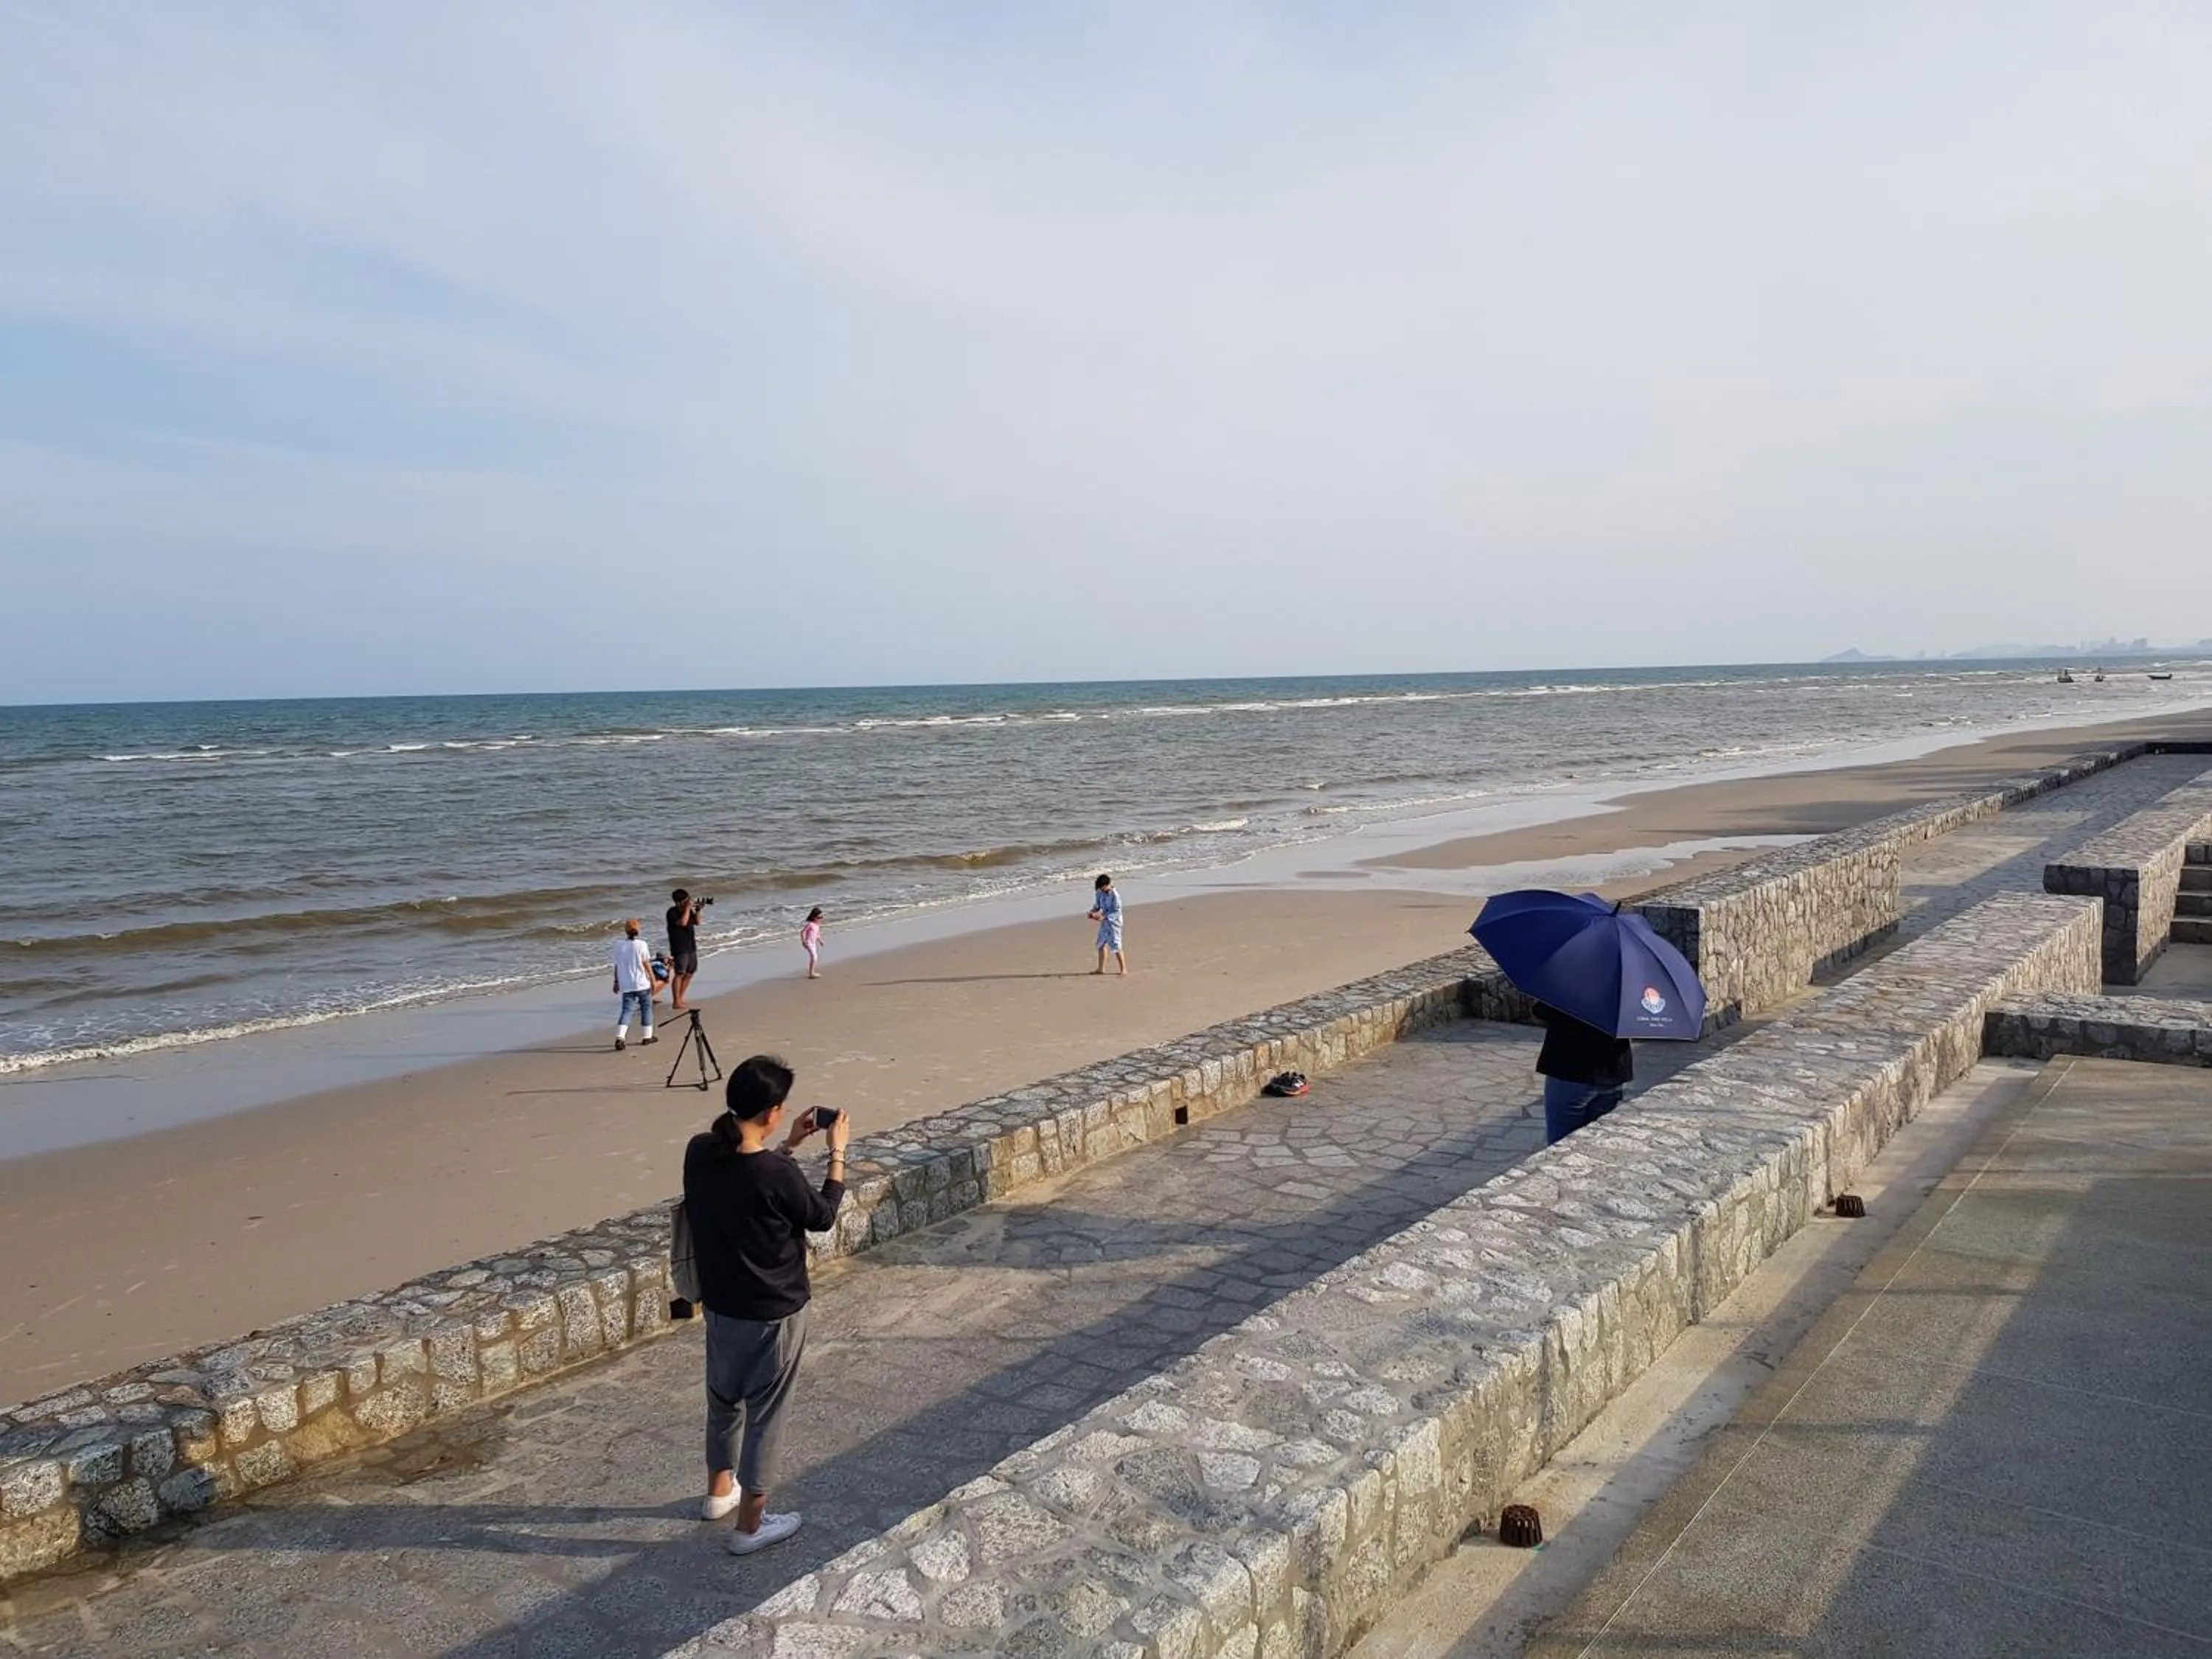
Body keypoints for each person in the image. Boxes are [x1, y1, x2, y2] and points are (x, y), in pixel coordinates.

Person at [682, 1054, 849, 1554]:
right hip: (775, 1311)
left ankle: (718, 1491)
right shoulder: (773, 1173)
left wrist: (792, 1145)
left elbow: (751, 1178)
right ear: (773, 1111)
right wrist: (837, 1154)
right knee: (766, 1416)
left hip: (721, 1304)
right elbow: (821, 1216)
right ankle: (751, 1526)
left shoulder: (699, 1152)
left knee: (723, 1399)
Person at [1532, 1000, 1632, 1144]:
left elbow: (1544, 1011)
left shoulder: (1572, 982)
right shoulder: (1626, 987)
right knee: (1594, 1145)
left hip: (1571, 1069)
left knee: (1561, 1145)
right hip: (1612, 1072)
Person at [611, 919, 657, 1051]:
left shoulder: (619, 945)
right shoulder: (642, 944)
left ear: (626, 931)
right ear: (638, 930)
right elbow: (646, 963)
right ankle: (647, 1037)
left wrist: (616, 981)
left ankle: (620, 1037)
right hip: (641, 983)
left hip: (626, 983)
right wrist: (653, 979)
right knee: (646, 1009)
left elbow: (617, 965)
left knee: (626, 1011)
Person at [666, 888, 706, 1010]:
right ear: (679, 902)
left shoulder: (686, 911)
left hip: (690, 946)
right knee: (680, 973)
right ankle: (676, 1001)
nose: (689, 902)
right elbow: (683, 923)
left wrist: (698, 910)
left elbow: (698, 922)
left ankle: (680, 998)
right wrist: (688, 909)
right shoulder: (672, 912)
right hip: (680, 947)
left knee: (690, 972)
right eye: (686, 900)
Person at [1088, 873, 1127, 976]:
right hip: (1105, 922)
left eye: (1102, 887)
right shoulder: (1100, 893)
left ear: (1107, 885)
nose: (1101, 890)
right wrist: (1093, 912)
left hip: (1114, 923)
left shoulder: (1115, 895)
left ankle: (1123, 969)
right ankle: (1101, 968)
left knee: (1116, 944)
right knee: (1101, 944)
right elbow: (1098, 905)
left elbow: (1116, 911)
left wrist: (1103, 917)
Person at [800, 907, 824, 979]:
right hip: (808, 942)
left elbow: (817, 934)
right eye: (819, 917)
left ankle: (812, 972)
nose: (820, 919)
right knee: (814, 957)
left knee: (815, 957)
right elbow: (803, 932)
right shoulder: (810, 924)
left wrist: (820, 940)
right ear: (814, 917)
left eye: (821, 917)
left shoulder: (817, 926)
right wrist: (803, 941)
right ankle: (811, 973)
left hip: (813, 943)